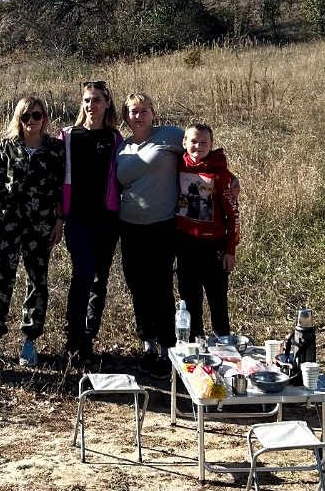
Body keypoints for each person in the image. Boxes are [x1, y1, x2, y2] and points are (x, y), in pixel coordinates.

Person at [0, 95, 65, 372]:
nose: (31, 122)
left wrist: (60, 221)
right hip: (7, 224)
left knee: (37, 282)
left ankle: (30, 340)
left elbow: (61, 186)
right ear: (19, 119)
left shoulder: (56, 149)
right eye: (25, 117)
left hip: (40, 226)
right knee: (1, 281)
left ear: (44, 117)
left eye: (36, 116)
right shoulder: (7, 146)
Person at [115, 93, 185, 365]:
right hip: (129, 225)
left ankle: (168, 346)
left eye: (144, 110)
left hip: (163, 225)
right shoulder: (122, 148)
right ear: (126, 117)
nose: (139, 116)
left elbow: (201, 153)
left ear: (153, 113)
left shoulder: (170, 135)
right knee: (137, 285)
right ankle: (148, 344)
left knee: (161, 285)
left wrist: (227, 178)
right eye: (133, 111)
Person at [58, 80, 123, 363]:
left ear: (107, 103)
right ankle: (72, 337)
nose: (91, 105)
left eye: (97, 99)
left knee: (100, 279)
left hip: (108, 219)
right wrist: (58, 216)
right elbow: (54, 176)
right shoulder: (68, 136)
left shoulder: (116, 139)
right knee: (83, 273)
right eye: (86, 100)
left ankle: (87, 337)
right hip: (77, 218)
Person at [174, 123, 240, 339]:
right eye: (193, 142)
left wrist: (230, 250)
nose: (198, 147)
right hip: (185, 243)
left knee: (217, 298)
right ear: (184, 143)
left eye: (204, 143)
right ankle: (195, 344)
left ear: (212, 145)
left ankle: (224, 343)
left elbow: (233, 216)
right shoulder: (177, 165)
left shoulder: (221, 175)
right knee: (189, 299)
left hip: (214, 246)